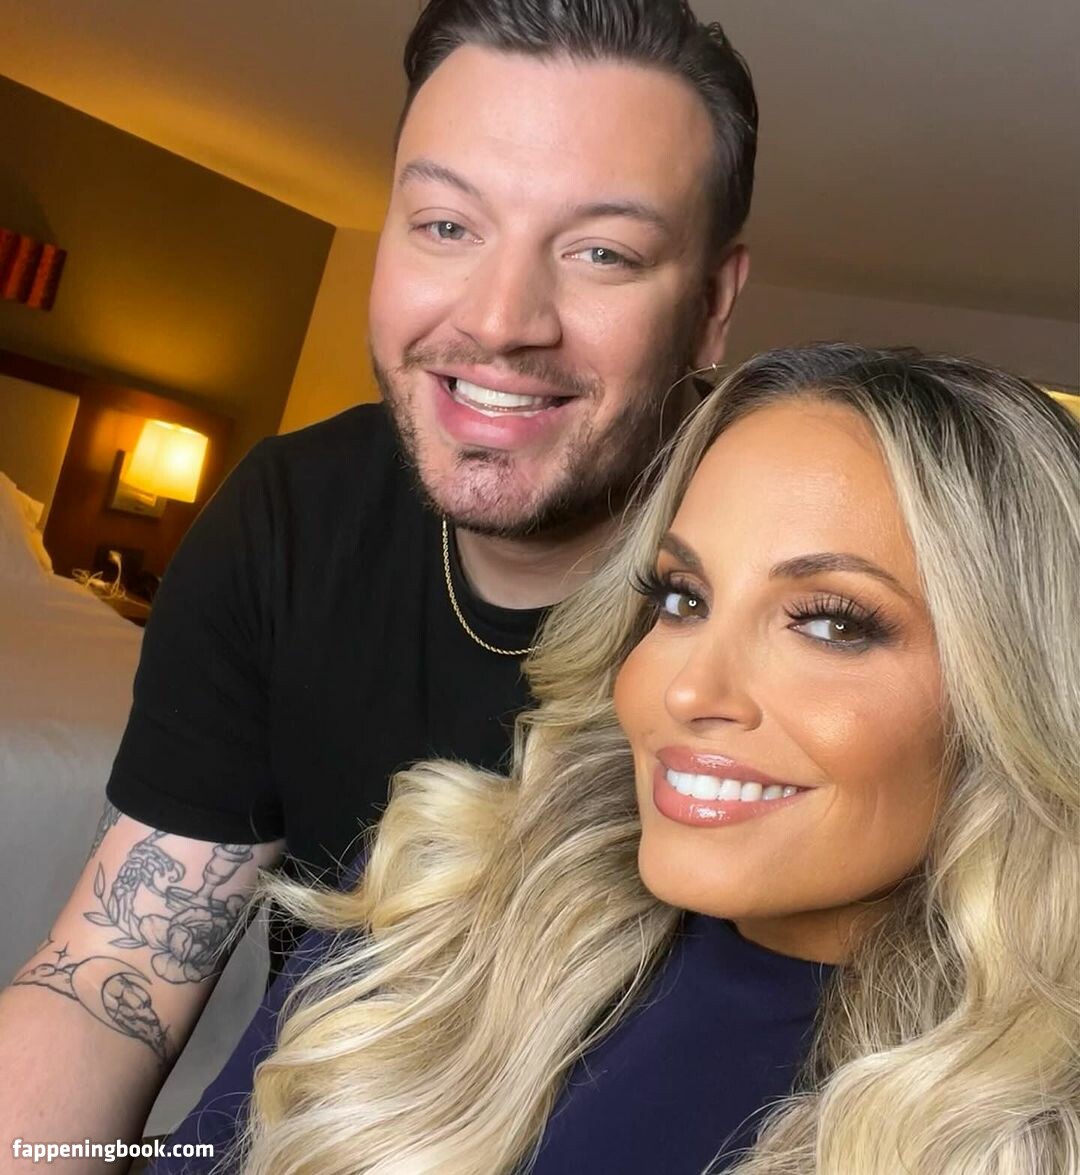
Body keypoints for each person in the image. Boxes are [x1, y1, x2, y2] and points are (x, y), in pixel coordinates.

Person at [0, 0, 756, 1156]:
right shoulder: (289, 517)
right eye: (447, 224)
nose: (500, 320)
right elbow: (115, 973)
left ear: (709, 308)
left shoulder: (800, 570)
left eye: (601, 251)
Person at [154, 344, 1079, 1174]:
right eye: (682, 598)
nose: (687, 688)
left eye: (831, 622)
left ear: (1022, 692)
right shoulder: (437, 903)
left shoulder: (1030, 1122)